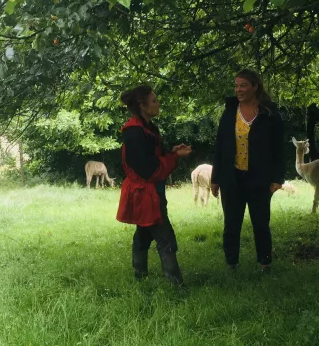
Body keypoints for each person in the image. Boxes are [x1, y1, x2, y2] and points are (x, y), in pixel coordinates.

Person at [116, 85, 192, 285]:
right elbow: (149, 169)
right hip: (144, 193)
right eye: (154, 100)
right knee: (165, 237)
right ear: (143, 106)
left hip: (152, 192)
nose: (158, 104)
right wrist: (174, 157)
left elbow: (155, 156)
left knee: (143, 234)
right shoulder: (133, 133)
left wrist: (171, 152)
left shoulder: (149, 129)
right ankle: (176, 285)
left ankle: (140, 277)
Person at [210, 69, 285, 273]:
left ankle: (265, 263)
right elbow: (220, 147)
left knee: (261, 223)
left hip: (259, 179)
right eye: (236, 86)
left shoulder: (269, 113)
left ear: (255, 87)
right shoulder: (230, 112)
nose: (238, 90)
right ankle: (232, 264)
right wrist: (215, 179)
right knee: (231, 224)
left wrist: (277, 178)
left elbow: (279, 148)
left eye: (243, 85)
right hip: (231, 178)